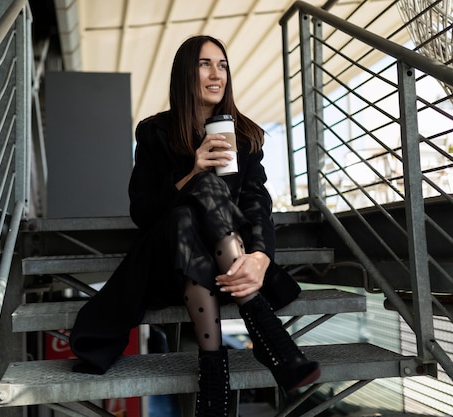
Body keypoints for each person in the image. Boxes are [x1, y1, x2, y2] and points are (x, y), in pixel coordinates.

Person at [69, 35, 321, 416]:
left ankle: (213, 379)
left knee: (192, 215)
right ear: (185, 73)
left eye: (222, 65)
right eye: (205, 64)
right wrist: (192, 173)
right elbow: (143, 212)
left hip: (226, 270)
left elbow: (256, 204)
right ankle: (271, 339)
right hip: (167, 265)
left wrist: (260, 258)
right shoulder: (155, 132)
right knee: (191, 201)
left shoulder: (247, 134)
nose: (216, 73)